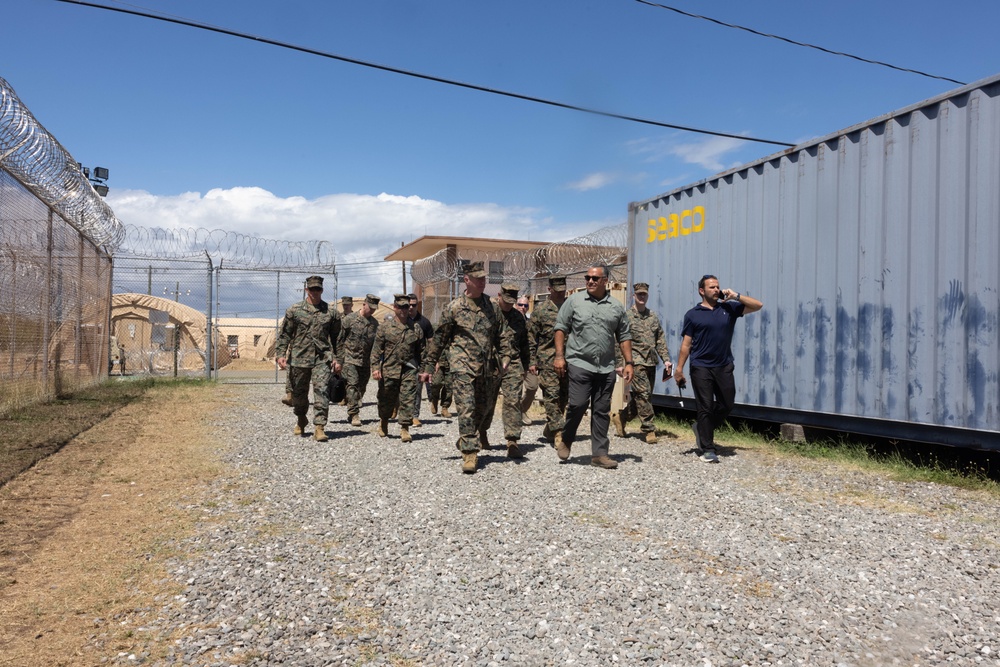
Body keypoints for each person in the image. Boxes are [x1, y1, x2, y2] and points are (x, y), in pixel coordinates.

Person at [423, 261, 512, 474]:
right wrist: (428, 366)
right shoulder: (454, 308)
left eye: (484, 278)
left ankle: (466, 439)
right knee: (467, 408)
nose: (483, 282)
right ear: (467, 280)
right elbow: (439, 340)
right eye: (478, 278)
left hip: (487, 368)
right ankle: (470, 454)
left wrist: (506, 356)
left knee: (483, 409)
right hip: (461, 366)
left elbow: (502, 334)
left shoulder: (492, 307)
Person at [673, 275, 763, 463]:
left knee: (727, 404)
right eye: (712, 287)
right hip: (700, 366)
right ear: (701, 291)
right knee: (705, 407)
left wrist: (736, 295)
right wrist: (679, 369)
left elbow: (758, 305)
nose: (716, 289)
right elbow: (686, 344)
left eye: (718, 287)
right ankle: (708, 448)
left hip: (723, 365)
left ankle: (702, 428)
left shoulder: (728, 308)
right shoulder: (693, 314)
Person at [553, 265, 633, 469]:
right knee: (578, 405)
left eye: (595, 278)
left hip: (606, 367)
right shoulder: (574, 301)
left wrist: (629, 362)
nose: (590, 281)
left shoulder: (615, 307)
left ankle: (599, 454)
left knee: (601, 410)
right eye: (587, 277)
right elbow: (561, 328)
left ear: (605, 280)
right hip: (579, 362)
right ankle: (567, 439)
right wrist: (560, 356)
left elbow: (623, 336)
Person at [276, 275, 342, 442]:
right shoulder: (294, 310)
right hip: (299, 358)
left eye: (318, 289)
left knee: (322, 392)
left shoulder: (331, 313)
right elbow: (285, 335)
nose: (315, 292)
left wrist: (338, 359)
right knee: (299, 396)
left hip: (322, 359)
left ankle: (319, 427)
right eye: (312, 289)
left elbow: (337, 339)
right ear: (306, 290)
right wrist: (280, 354)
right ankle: (301, 418)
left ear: (322, 290)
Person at [613, 282, 672, 444]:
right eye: (639, 294)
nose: (641, 297)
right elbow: (619, 341)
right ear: (633, 296)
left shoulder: (652, 316)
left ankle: (621, 417)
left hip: (651, 361)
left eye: (644, 294)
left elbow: (660, 339)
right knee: (644, 394)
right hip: (635, 362)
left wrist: (666, 359)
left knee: (643, 396)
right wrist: (620, 363)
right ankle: (648, 428)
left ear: (647, 296)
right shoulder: (627, 317)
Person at [371, 294, 430, 442]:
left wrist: (424, 370)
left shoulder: (415, 328)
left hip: (409, 369)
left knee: (407, 399)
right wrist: (375, 368)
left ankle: (405, 427)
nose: (404, 309)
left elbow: (422, 351)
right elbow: (377, 350)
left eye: (407, 306)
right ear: (394, 307)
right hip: (390, 369)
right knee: (386, 399)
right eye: (401, 307)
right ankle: (384, 421)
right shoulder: (385, 327)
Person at [528, 275, 569, 449]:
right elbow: (531, 337)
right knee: (551, 396)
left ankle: (550, 428)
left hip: (569, 360)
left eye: (563, 291)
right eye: (557, 291)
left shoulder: (571, 308)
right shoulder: (541, 310)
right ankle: (559, 432)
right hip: (547, 360)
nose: (560, 294)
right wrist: (531, 361)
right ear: (549, 289)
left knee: (563, 398)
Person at [490, 283, 530, 455]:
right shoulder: (489, 313)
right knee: (486, 402)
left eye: (511, 302)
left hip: (513, 363)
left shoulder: (518, 318)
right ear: (499, 295)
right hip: (491, 362)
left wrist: (526, 366)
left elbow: (524, 344)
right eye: (505, 301)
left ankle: (512, 441)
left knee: (513, 400)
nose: (508, 305)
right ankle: (481, 432)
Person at [337, 294, 380, 427]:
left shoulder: (374, 324)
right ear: (364, 304)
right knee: (353, 385)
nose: (371, 311)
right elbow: (339, 340)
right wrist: (338, 359)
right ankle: (354, 414)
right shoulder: (350, 319)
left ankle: (353, 406)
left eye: (374, 309)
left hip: (365, 362)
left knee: (361, 389)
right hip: (350, 359)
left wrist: (375, 365)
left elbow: (375, 346)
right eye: (370, 307)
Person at [408, 293, 434, 427]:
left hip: (419, 361)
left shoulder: (424, 322)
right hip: (403, 360)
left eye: (414, 305)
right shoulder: (401, 320)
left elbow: (431, 342)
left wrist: (433, 361)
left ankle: (414, 416)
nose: (411, 307)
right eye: (409, 305)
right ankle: (396, 406)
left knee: (417, 389)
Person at [516, 295, 537, 423]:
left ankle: (522, 409)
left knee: (533, 386)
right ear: (515, 305)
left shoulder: (530, 322)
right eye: (520, 305)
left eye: (525, 306)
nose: (523, 308)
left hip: (528, 360)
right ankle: (513, 418)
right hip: (513, 361)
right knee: (515, 391)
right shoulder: (508, 320)